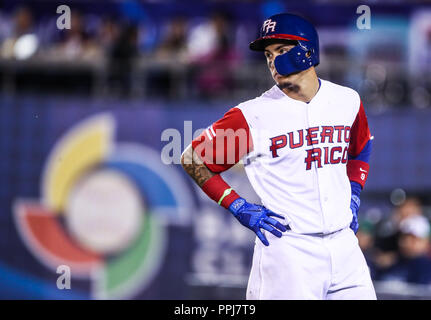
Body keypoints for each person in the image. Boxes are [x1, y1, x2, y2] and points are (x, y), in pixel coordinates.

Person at [181, 13, 376, 299]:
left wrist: (355, 191)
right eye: (269, 54)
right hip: (289, 250)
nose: (273, 61)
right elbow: (193, 158)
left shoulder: (346, 100)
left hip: (345, 245)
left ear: (308, 51)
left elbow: (361, 145)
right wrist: (237, 206)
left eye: (282, 51)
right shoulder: (252, 114)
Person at [374, 215, 431, 285]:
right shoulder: (389, 263)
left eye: (413, 239)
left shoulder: (426, 268)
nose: (406, 242)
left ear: (426, 241)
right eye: (403, 237)